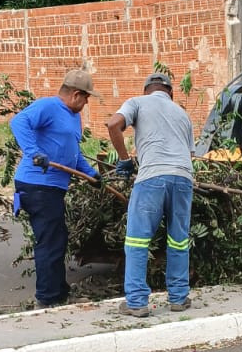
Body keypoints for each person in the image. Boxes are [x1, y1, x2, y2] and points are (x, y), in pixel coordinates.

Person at [106, 72, 196, 318]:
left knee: (137, 240)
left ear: (147, 90)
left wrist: (124, 160)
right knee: (178, 239)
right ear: (171, 94)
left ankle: (136, 302)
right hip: (183, 179)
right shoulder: (182, 114)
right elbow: (190, 156)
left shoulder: (137, 102)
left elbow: (113, 124)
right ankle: (178, 298)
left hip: (152, 178)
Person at [10, 68, 100, 308]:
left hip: (52, 188)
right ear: (76, 95)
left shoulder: (73, 117)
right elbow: (18, 122)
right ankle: (49, 298)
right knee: (50, 241)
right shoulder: (48, 106)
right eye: (86, 98)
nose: (86, 103)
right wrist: (34, 153)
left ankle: (58, 292)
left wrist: (92, 174)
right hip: (38, 185)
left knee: (57, 239)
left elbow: (73, 153)